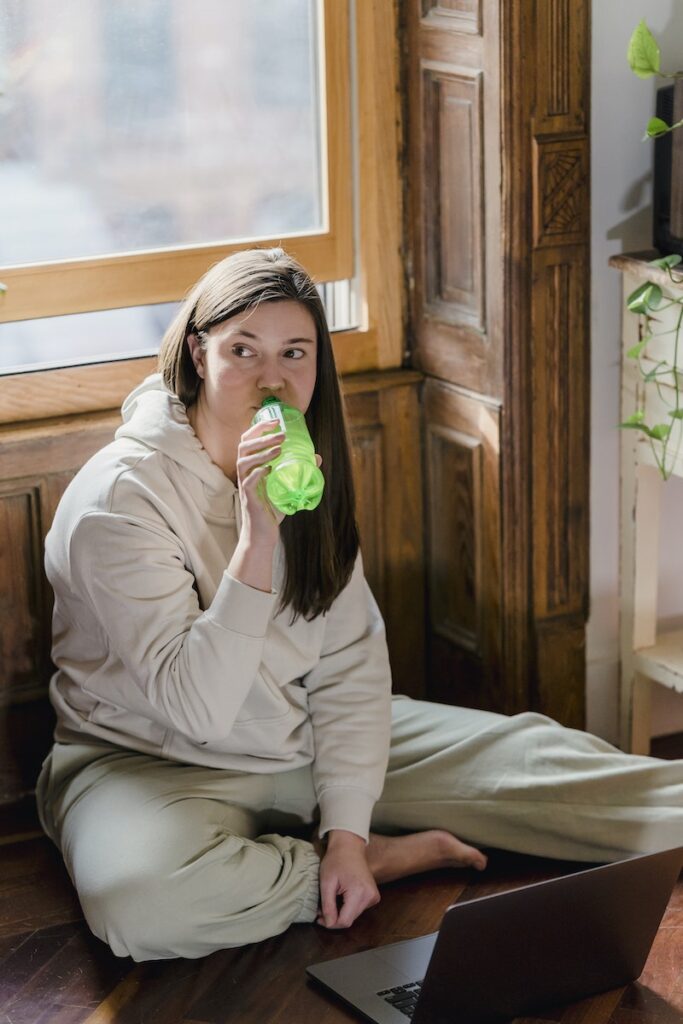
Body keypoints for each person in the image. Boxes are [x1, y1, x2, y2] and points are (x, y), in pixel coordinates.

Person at [36, 247, 683, 962]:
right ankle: (367, 866)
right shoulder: (119, 504)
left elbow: (347, 664)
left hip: (293, 731)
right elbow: (198, 709)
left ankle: (342, 847)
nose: (271, 379)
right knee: (145, 905)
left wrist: (345, 825)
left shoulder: (305, 466)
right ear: (197, 351)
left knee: (542, 765)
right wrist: (256, 537)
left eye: (294, 353)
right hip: (145, 766)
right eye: (243, 350)